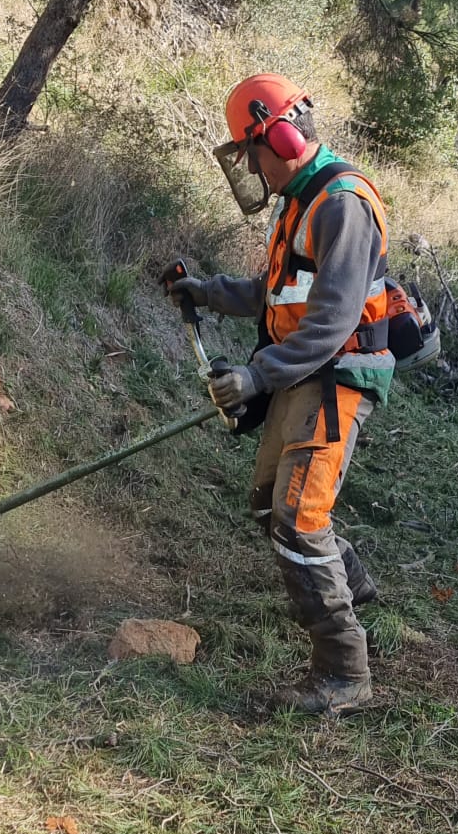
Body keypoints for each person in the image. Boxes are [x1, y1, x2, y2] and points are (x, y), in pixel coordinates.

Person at [165, 74, 392, 714]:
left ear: (280, 136)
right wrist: (206, 291)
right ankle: (348, 582)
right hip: (301, 372)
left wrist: (257, 377)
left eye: (250, 151)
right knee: (272, 506)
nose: (250, 168)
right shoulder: (301, 199)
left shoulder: (341, 203)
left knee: (298, 522)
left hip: (337, 378)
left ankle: (344, 672)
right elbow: (278, 293)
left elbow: (331, 321)